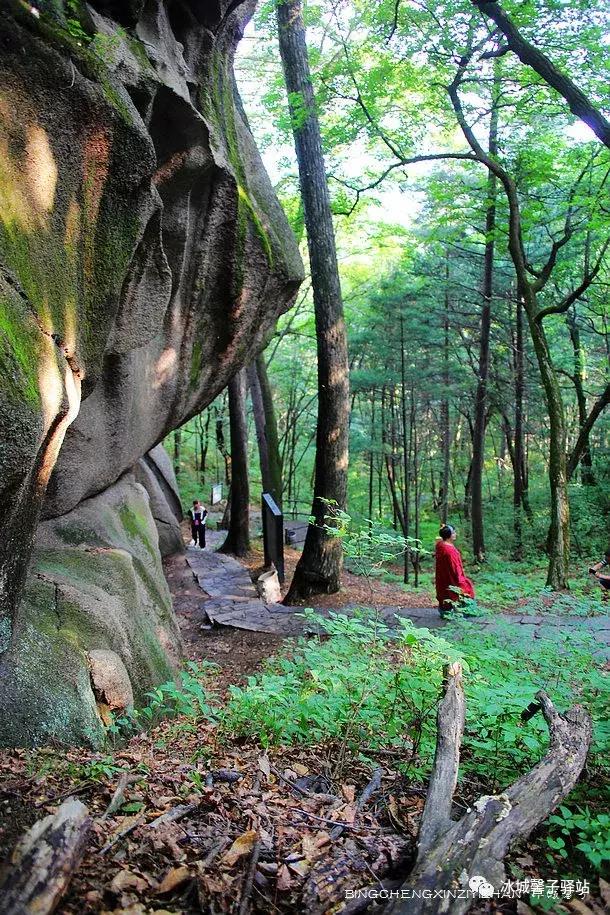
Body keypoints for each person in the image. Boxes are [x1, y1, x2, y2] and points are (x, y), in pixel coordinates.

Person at [435, 524, 475, 616]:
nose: (455, 534)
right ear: (449, 535)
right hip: (451, 577)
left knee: (444, 592)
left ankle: (444, 610)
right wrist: (460, 579)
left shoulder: (440, 545)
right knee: (465, 589)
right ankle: (466, 612)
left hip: (442, 576)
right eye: (453, 533)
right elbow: (455, 567)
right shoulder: (449, 551)